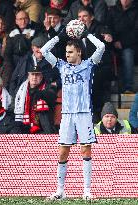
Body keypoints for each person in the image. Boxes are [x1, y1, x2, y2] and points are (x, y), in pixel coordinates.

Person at [40, 24, 105, 199]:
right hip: (67, 115)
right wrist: (59, 37)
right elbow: (44, 50)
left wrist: (87, 34)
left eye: (70, 52)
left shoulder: (89, 65)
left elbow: (101, 47)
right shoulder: (62, 66)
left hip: (84, 113)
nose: (66, 55)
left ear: (79, 53)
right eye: (66, 52)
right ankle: (60, 191)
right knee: (62, 152)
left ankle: (87, 191)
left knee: (86, 151)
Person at [77, 6, 114, 123]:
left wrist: (108, 37)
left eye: (85, 16)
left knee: (93, 81)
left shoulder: (99, 28)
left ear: (91, 17)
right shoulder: (76, 31)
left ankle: (97, 116)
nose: (81, 19)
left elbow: (106, 34)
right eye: (79, 17)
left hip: (101, 68)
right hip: (85, 68)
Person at [14, 65, 57, 134]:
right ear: (28, 76)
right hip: (25, 126)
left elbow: (51, 95)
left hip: (43, 128)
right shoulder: (21, 91)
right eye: (32, 74)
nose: (34, 77)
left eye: (37, 75)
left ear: (41, 77)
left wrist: (41, 94)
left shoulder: (48, 87)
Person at [107, 0, 138, 93]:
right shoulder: (112, 10)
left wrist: (123, 43)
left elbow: (136, 32)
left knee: (128, 54)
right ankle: (107, 88)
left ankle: (128, 87)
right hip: (113, 43)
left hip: (131, 45)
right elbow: (108, 27)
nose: (125, 0)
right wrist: (114, 41)